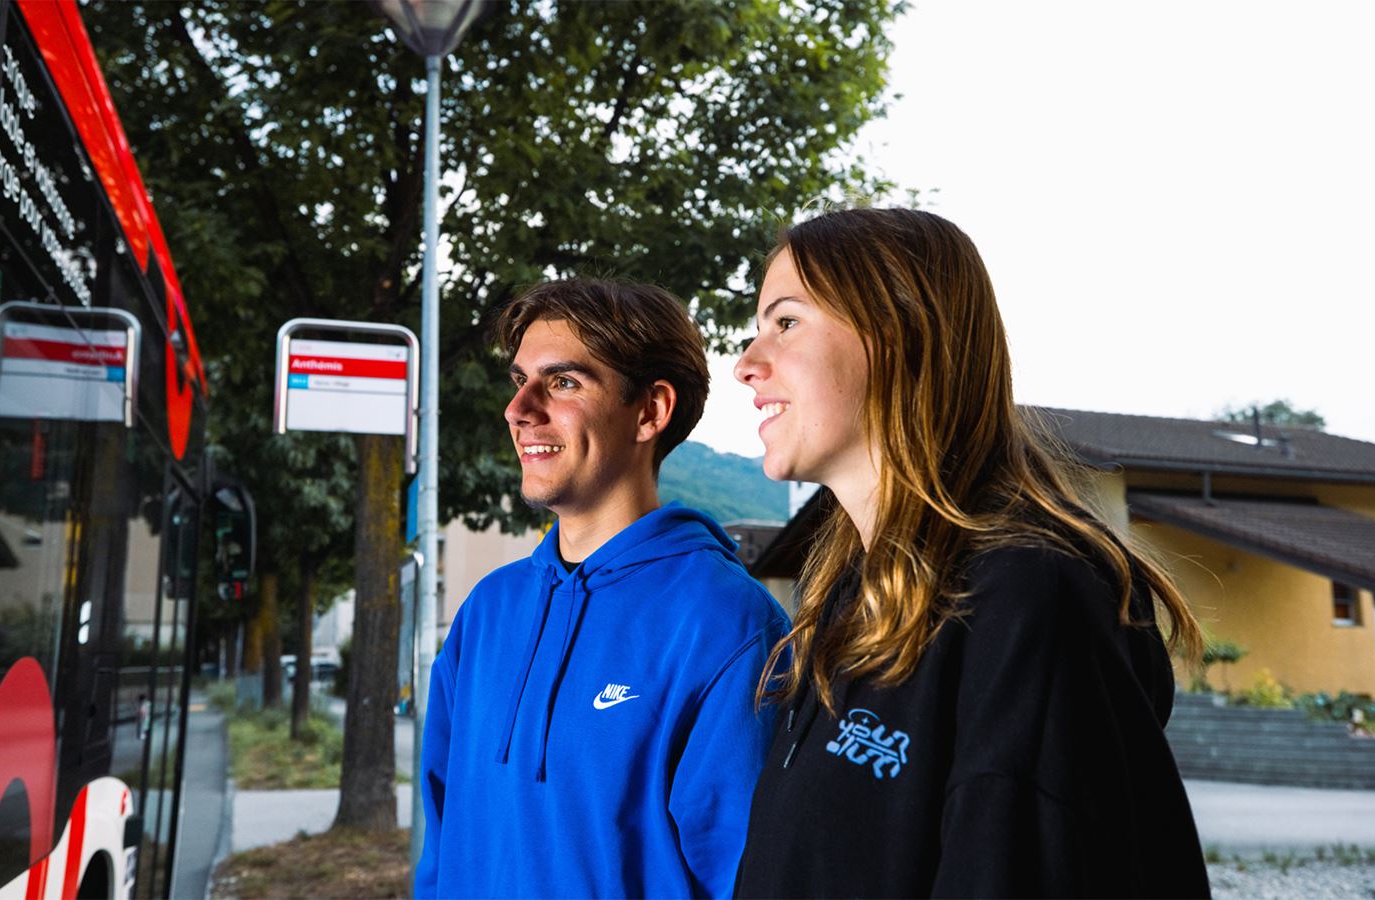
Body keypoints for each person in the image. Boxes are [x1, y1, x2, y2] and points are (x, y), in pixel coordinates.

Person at [731, 207, 1211, 898]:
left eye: (785, 322)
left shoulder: (1028, 600)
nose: (748, 364)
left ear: (898, 335)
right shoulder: (853, 601)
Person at [415, 278, 789, 899]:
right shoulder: (488, 609)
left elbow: (742, 879)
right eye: (519, 381)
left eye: (562, 382)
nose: (519, 409)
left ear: (650, 411)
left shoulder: (729, 624)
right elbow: (441, 836)